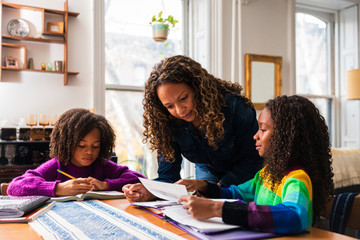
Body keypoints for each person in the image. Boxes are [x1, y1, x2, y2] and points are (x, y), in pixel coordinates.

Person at [176, 95, 334, 234]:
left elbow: (294, 216)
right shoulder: (266, 175)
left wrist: (216, 209)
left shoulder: (297, 178)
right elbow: (236, 194)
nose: (255, 136)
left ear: (286, 137)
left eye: (263, 130)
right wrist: (205, 186)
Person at [123, 55, 263, 202]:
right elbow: (168, 176)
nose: (180, 110)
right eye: (170, 106)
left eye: (183, 98)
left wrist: (216, 188)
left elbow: (254, 158)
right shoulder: (167, 123)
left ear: (197, 88)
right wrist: (149, 191)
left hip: (247, 173)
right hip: (207, 170)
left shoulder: (234, 106)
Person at [7, 108, 145, 197]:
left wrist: (106, 185)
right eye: (81, 145)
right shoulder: (58, 165)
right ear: (67, 143)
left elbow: (140, 179)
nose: (89, 152)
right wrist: (58, 188)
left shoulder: (101, 165)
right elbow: (15, 186)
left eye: (96, 146)